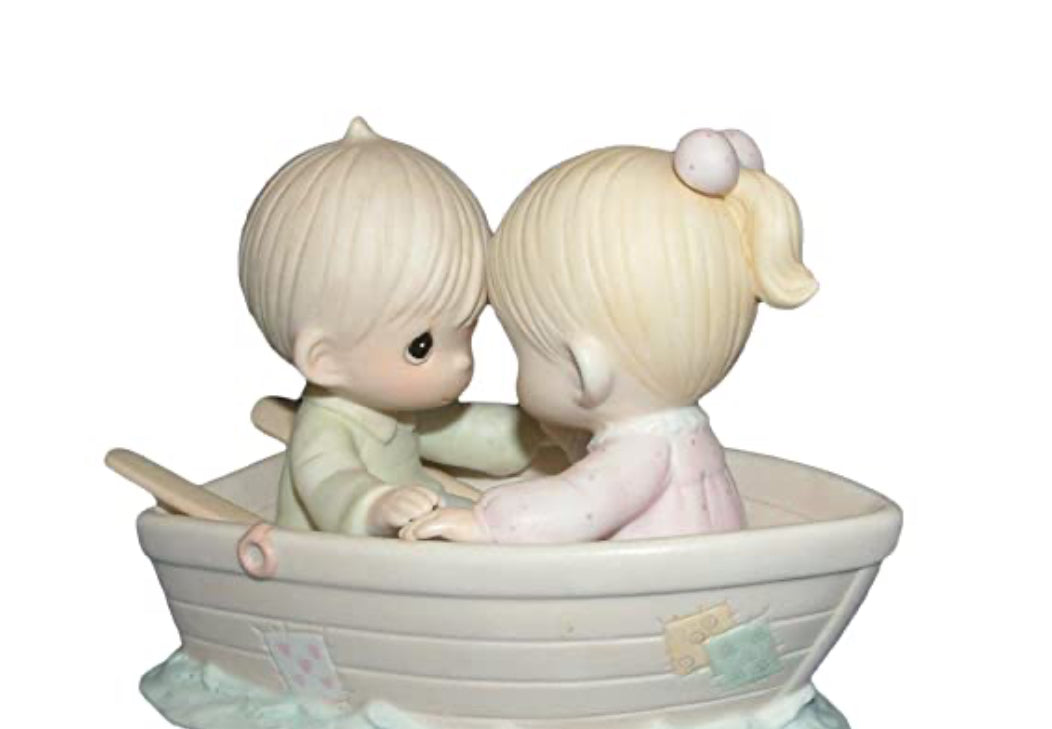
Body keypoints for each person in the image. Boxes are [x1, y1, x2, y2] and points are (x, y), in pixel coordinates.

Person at [402, 128, 817, 544]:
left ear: (586, 370)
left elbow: (574, 505)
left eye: (522, 350)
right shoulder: (681, 434)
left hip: (655, 583)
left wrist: (485, 525)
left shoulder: (642, 452)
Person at [239, 118, 543, 536]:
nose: (461, 362)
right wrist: (376, 506)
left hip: (417, 510)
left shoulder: (395, 402)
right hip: (338, 545)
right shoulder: (327, 428)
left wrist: (533, 430)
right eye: (421, 347)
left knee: (493, 522)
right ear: (325, 360)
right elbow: (331, 484)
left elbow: (465, 435)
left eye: (468, 329)